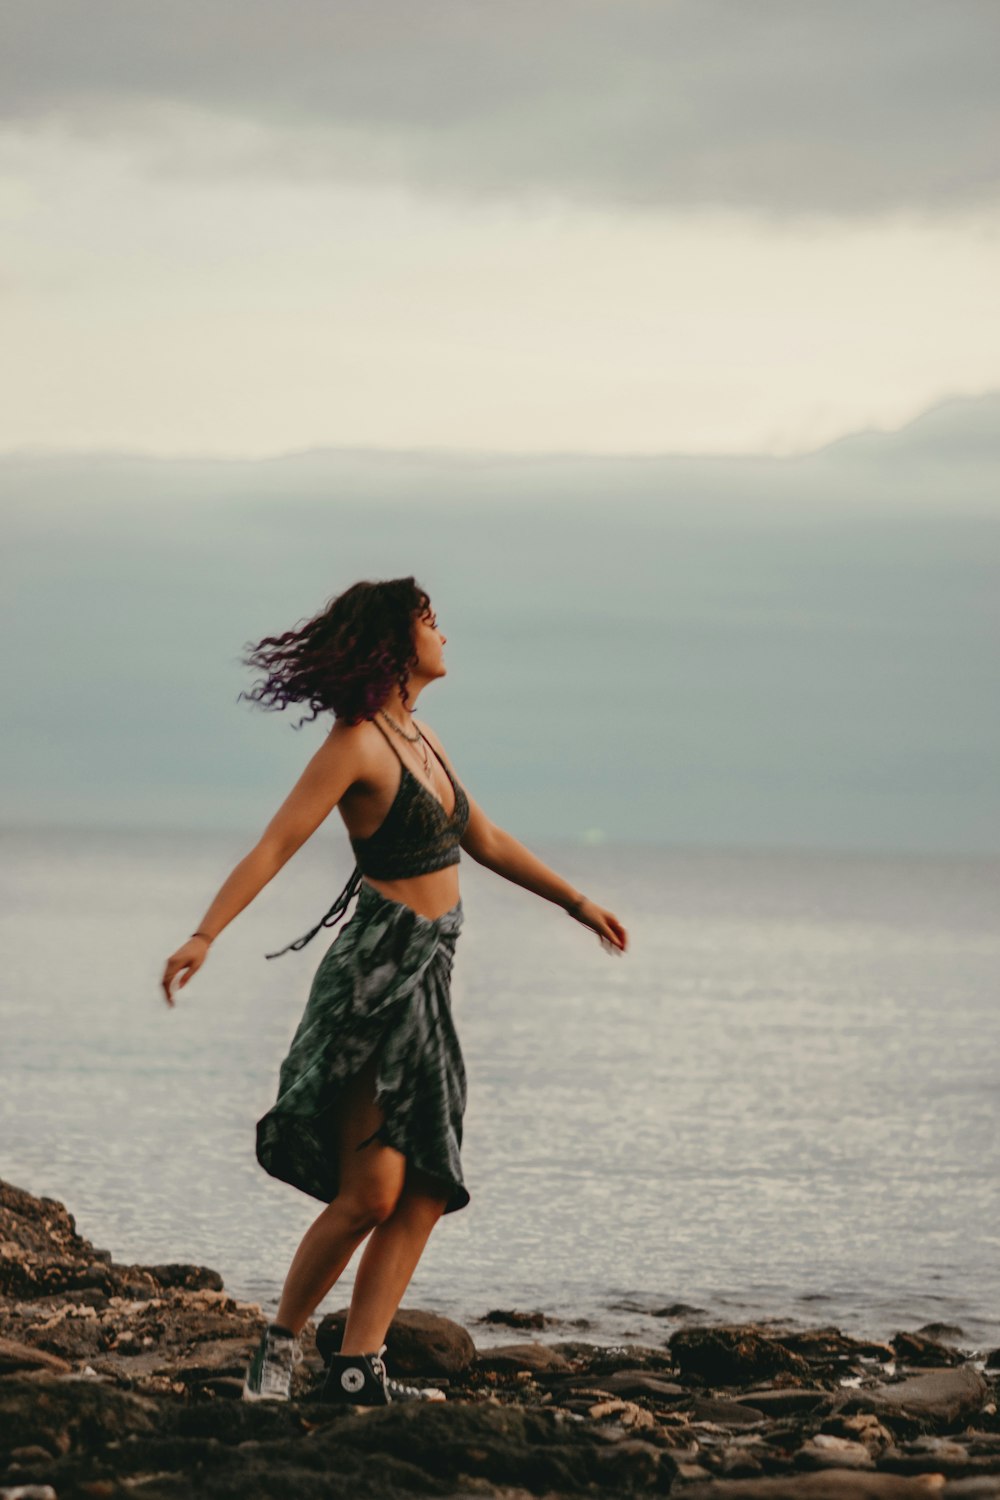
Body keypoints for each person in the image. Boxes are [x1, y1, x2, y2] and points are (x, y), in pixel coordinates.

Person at [160, 576, 628, 1406]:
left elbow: (484, 838)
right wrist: (205, 933)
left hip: (431, 982)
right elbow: (273, 847)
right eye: (430, 623)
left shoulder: (425, 739)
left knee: (428, 1185)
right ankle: (280, 1345)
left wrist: (576, 901)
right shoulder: (357, 746)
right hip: (375, 982)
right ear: (393, 643)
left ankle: (358, 1366)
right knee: (370, 1192)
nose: (444, 634)